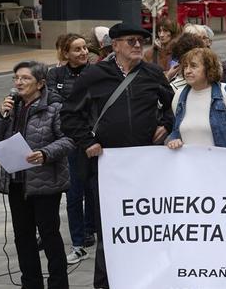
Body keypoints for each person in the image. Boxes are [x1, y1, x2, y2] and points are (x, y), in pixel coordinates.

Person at [61, 22, 174, 289]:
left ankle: (145, 279)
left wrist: (166, 124)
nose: (137, 45)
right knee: (110, 228)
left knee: (145, 227)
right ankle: (106, 282)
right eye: (131, 41)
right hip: (107, 167)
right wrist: (87, 141)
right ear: (115, 45)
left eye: (141, 41)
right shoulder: (94, 75)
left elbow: (172, 105)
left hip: (145, 165)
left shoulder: (152, 73)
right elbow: (69, 115)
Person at [0, 62, 72, 289]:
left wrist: (45, 153)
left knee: (49, 236)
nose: (19, 82)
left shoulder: (55, 107)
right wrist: (1, 115)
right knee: (22, 236)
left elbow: (68, 140)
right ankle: (31, 283)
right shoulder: (11, 107)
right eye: (16, 78)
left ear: (40, 83)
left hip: (45, 183)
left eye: (25, 78)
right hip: (16, 182)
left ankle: (58, 283)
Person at [47, 33, 96, 264]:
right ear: (65, 53)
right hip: (70, 141)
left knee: (93, 190)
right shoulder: (55, 74)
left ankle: (90, 230)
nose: (84, 52)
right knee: (74, 194)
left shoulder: (96, 72)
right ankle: (78, 243)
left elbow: (96, 103)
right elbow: (55, 103)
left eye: (85, 48)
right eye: (77, 49)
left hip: (92, 138)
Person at [164, 48, 226, 151]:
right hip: (188, 161)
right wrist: (174, 140)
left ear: (208, 68)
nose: (187, 71)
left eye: (193, 66)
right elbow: (176, 131)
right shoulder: (179, 96)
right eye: (185, 66)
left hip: (220, 160)